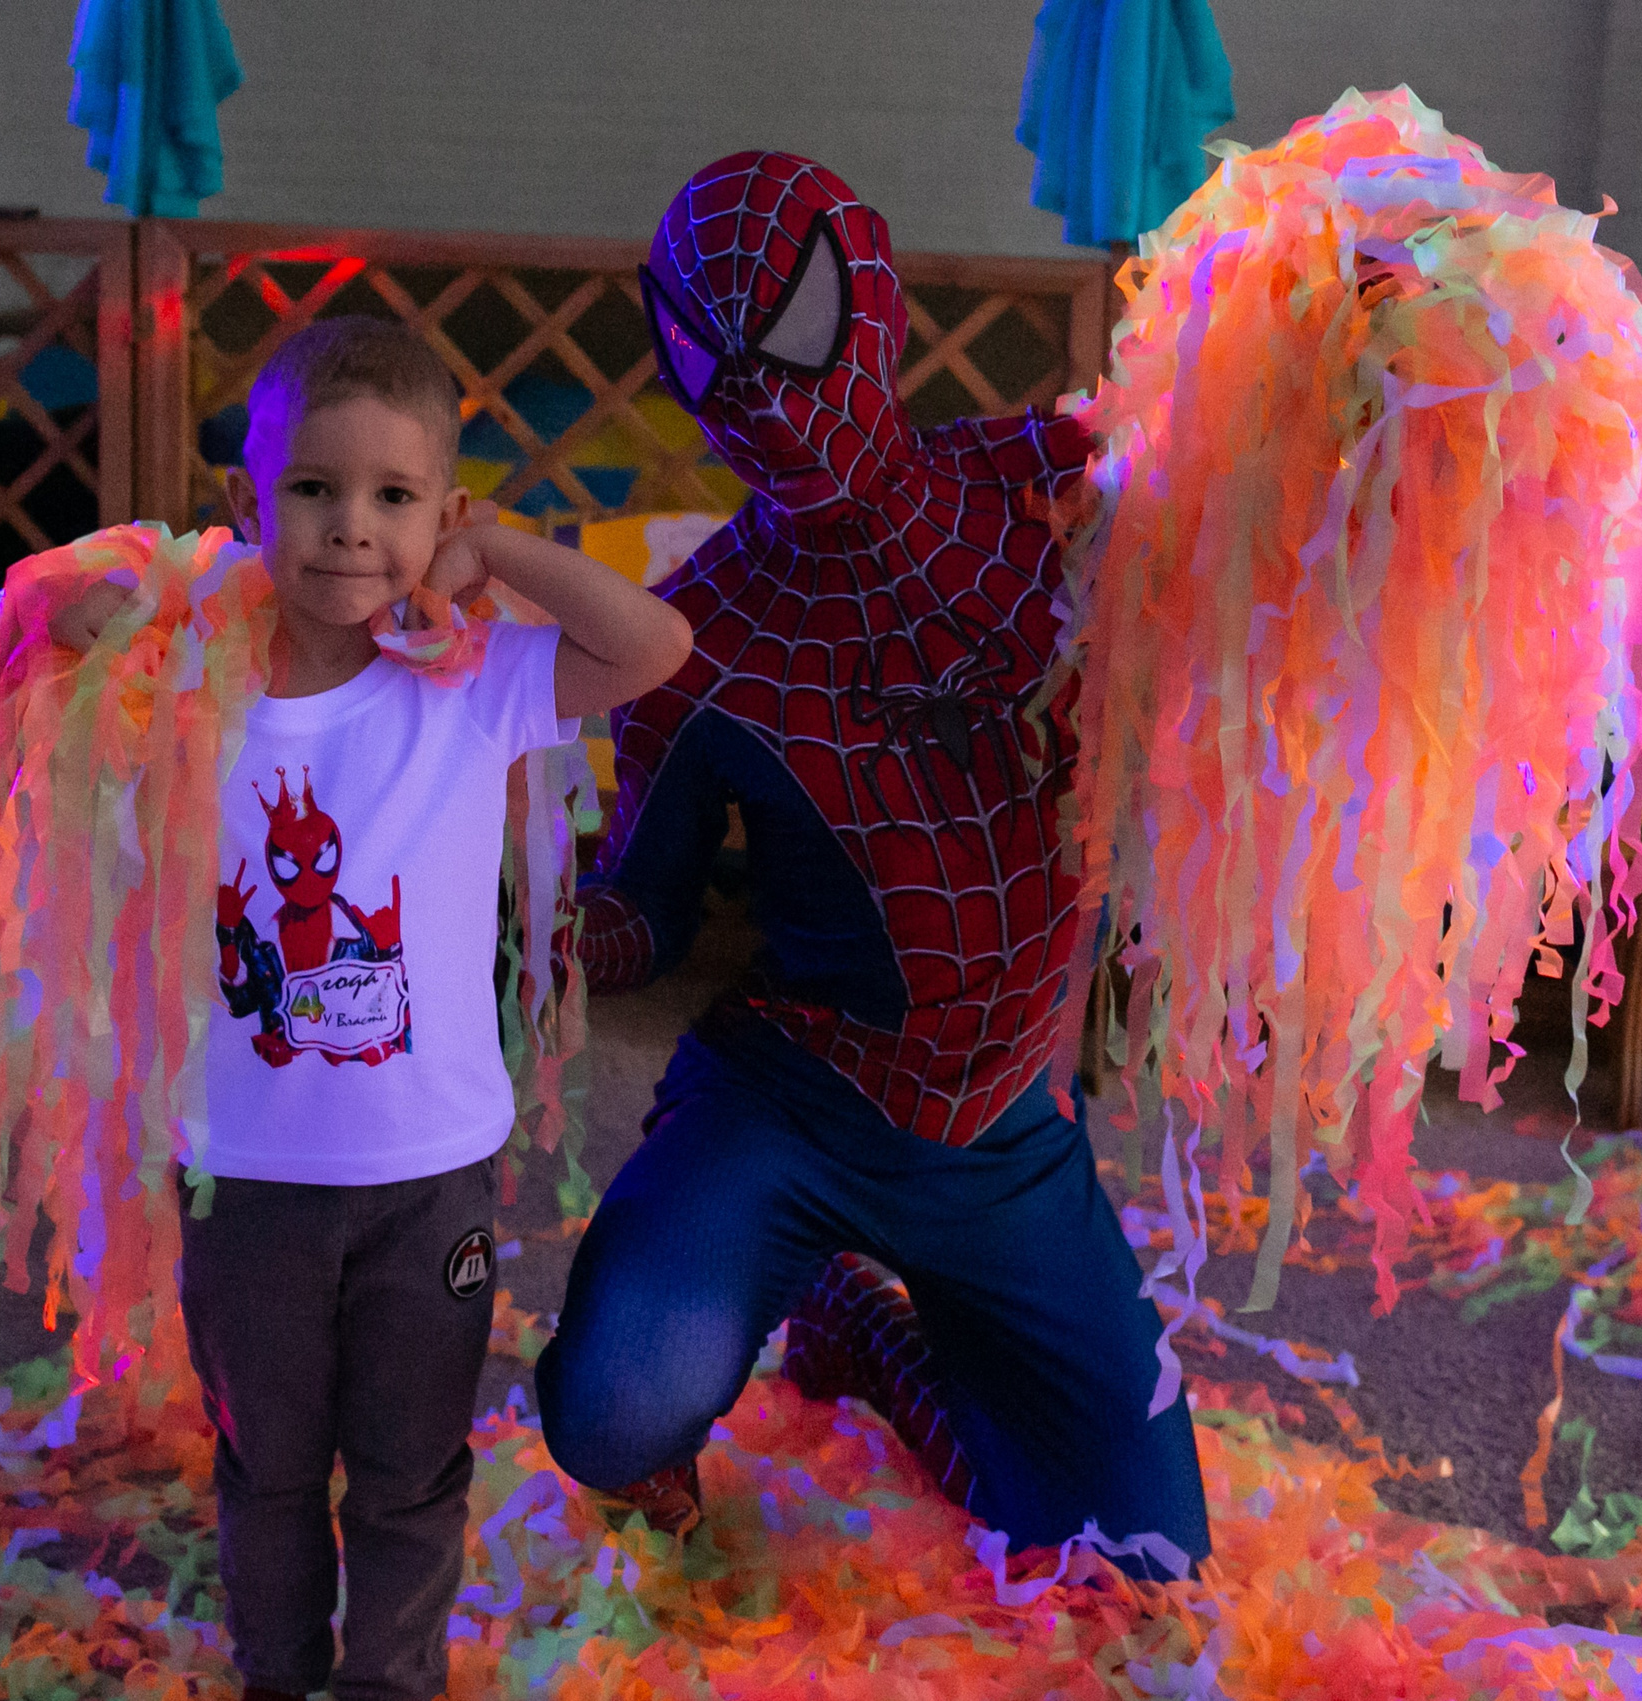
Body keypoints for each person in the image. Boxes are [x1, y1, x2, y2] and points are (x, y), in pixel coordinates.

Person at [532, 153, 1213, 1573]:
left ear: (877, 302)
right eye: (716, 364)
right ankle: (782, 1284)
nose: (768, 401)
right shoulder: (696, 633)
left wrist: (1357, 370)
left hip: (1006, 1129)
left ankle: (867, 1327)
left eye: (793, 337)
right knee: (606, 1410)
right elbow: (643, 910)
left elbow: (1256, 489)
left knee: (1138, 1549)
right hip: (797, 1100)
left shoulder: (1056, 489)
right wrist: (541, 932)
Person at [46, 317, 691, 1701]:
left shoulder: (466, 684)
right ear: (247, 501)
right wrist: (192, 585)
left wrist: (497, 550)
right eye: (312, 491)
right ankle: (279, 1675)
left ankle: (389, 1685)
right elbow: (50, 618)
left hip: (429, 1185)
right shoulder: (189, 682)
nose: (351, 529)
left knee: (411, 1473)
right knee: (267, 1468)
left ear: (441, 512)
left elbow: (652, 643)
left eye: (395, 498)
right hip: (246, 1177)